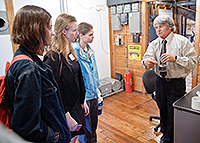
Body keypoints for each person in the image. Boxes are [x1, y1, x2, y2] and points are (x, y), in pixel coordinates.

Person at [5, 5, 71, 143]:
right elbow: (26, 126)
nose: (53, 33)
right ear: (36, 30)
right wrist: (55, 136)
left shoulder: (25, 59)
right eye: (49, 27)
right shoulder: (29, 69)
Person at [141, 15, 197, 143]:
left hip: (176, 83)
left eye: (161, 26)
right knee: (163, 111)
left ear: (169, 27)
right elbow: (144, 60)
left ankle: (172, 138)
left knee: (173, 112)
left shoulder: (182, 42)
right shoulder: (155, 44)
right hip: (160, 82)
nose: (158, 30)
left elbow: (193, 62)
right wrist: (146, 62)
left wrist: (176, 59)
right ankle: (165, 135)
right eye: (156, 27)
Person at [44, 14, 89, 143]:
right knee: (69, 139)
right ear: (64, 31)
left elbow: (77, 78)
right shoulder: (53, 56)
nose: (77, 33)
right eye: (74, 30)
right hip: (66, 110)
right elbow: (54, 90)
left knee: (75, 137)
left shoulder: (70, 51)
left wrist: (83, 100)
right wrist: (66, 114)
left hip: (76, 106)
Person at [72, 22, 101, 143]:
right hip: (84, 97)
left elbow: (94, 75)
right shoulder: (74, 53)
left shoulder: (90, 51)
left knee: (93, 126)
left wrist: (98, 93)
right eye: (90, 34)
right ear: (81, 35)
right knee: (85, 128)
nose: (93, 37)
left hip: (93, 94)